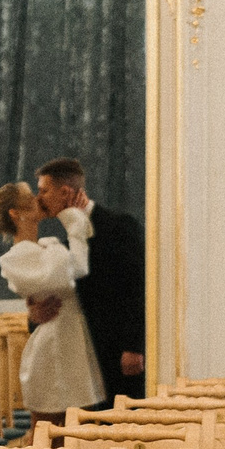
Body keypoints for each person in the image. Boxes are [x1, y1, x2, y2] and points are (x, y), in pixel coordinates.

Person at [28, 156, 147, 405]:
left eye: (44, 191)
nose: (38, 198)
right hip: (81, 354)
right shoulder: (64, 243)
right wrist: (35, 313)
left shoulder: (120, 226)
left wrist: (134, 347)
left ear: (64, 192)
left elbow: (136, 288)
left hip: (117, 351)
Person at [0, 181, 101, 426]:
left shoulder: (47, 247)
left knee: (81, 428)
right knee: (49, 432)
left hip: (72, 341)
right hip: (53, 347)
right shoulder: (17, 257)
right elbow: (76, 270)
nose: (38, 199)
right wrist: (73, 218)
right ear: (16, 214)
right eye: (30, 197)